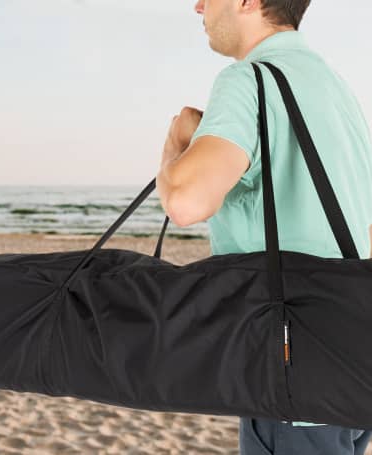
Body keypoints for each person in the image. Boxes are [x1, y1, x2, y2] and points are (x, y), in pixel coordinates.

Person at [155, 0, 372, 453]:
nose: (197, 6)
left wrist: (178, 144)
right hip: (353, 351)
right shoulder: (335, 89)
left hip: (294, 355)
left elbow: (185, 201)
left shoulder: (249, 79)